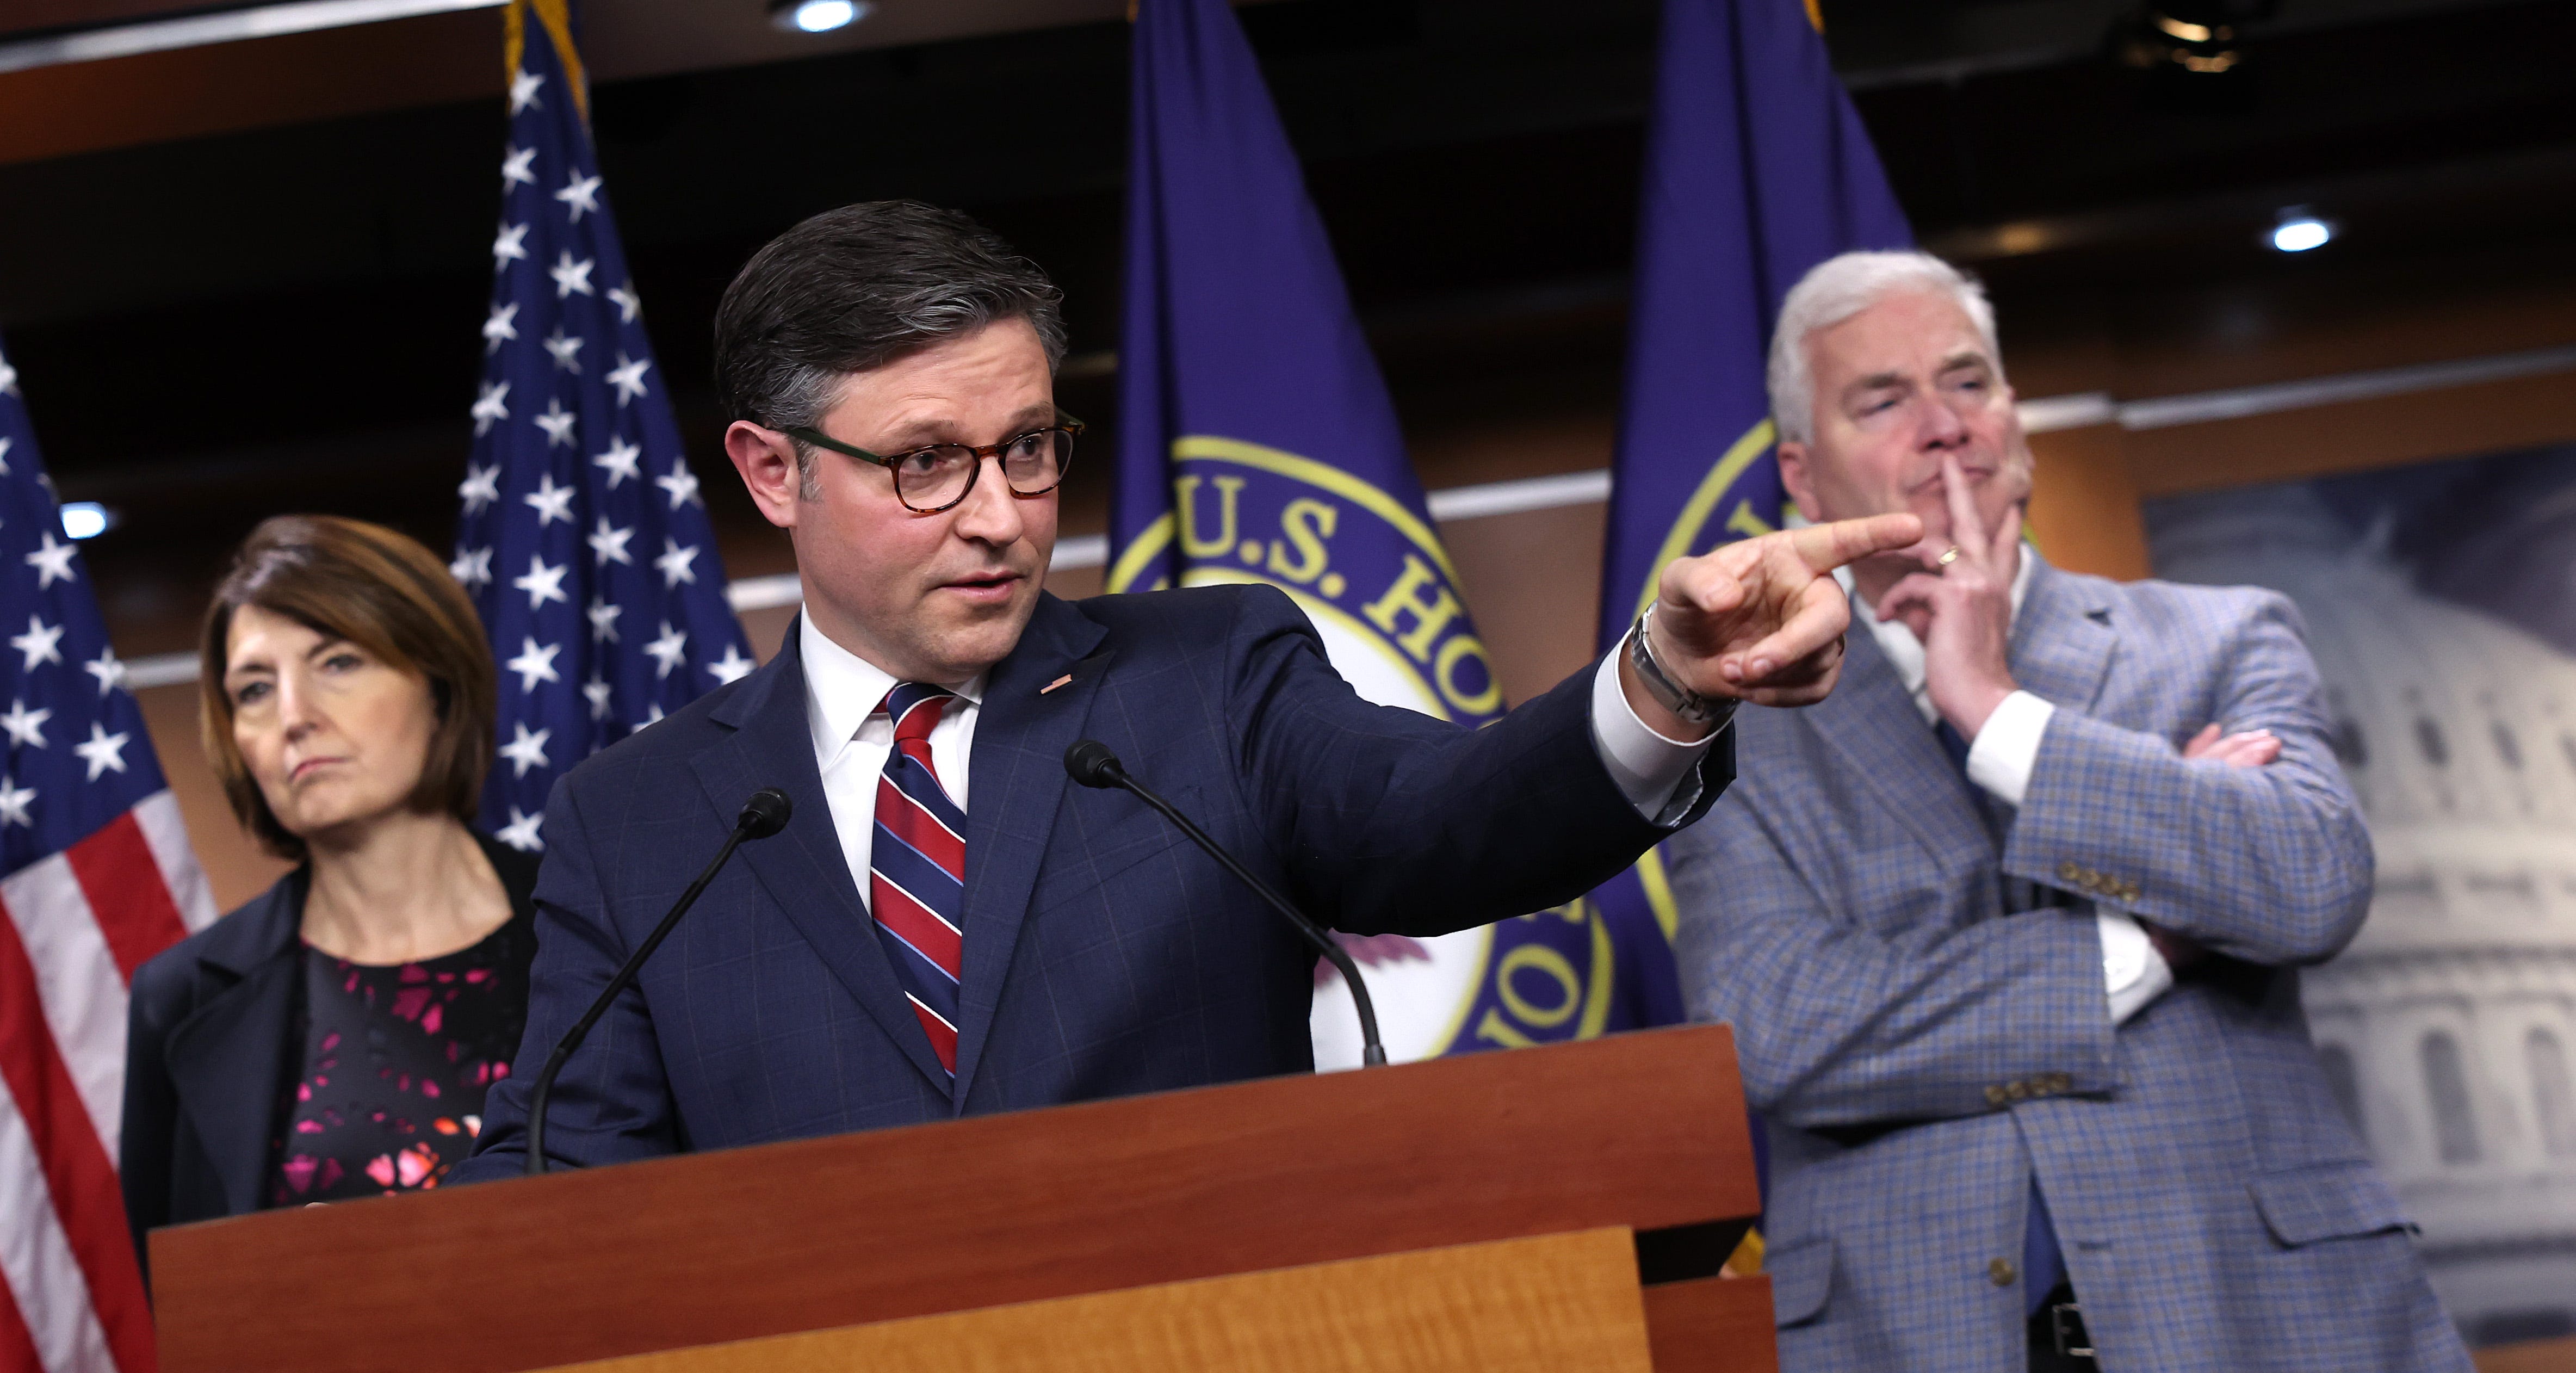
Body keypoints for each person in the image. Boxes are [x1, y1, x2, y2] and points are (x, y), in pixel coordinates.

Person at [454, 200, 1915, 1176]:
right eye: (925, 462)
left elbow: (1451, 813)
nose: (1000, 514)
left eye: (1026, 446)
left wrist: (1661, 680)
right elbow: (568, 1183)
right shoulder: (640, 821)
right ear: (773, 471)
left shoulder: (1205, 682)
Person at [1664, 250, 2543, 1373]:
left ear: (2016, 421)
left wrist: (1995, 709)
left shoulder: (2222, 638)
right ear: (1803, 480)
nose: (1941, 423)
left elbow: (2309, 880)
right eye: (1882, 397)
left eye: (1968, 381)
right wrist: (2150, 936)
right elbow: (1782, 1028)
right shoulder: (1732, 746)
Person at [123, 516, 542, 1283]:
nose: (293, 717)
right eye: (255, 689)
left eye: (338, 662)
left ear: (439, 686)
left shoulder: (604, 928)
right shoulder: (181, 997)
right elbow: (189, 1322)